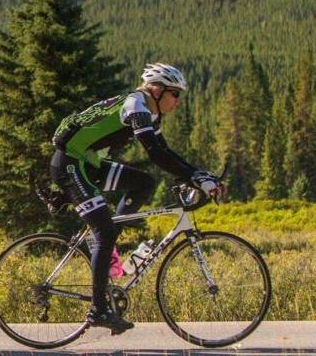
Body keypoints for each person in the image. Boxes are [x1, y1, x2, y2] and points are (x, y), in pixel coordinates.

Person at [50, 63, 226, 334]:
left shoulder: (149, 113)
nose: (177, 101)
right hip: (71, 164)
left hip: (90, 162)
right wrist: (194, 177)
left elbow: (164, 150)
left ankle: (105, 243)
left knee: (144, 183)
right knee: (104, 229)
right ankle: (98, 310)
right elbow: (154, 153)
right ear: (156, 90)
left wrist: (197, 174)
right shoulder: (136, 106)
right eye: (175, 94)